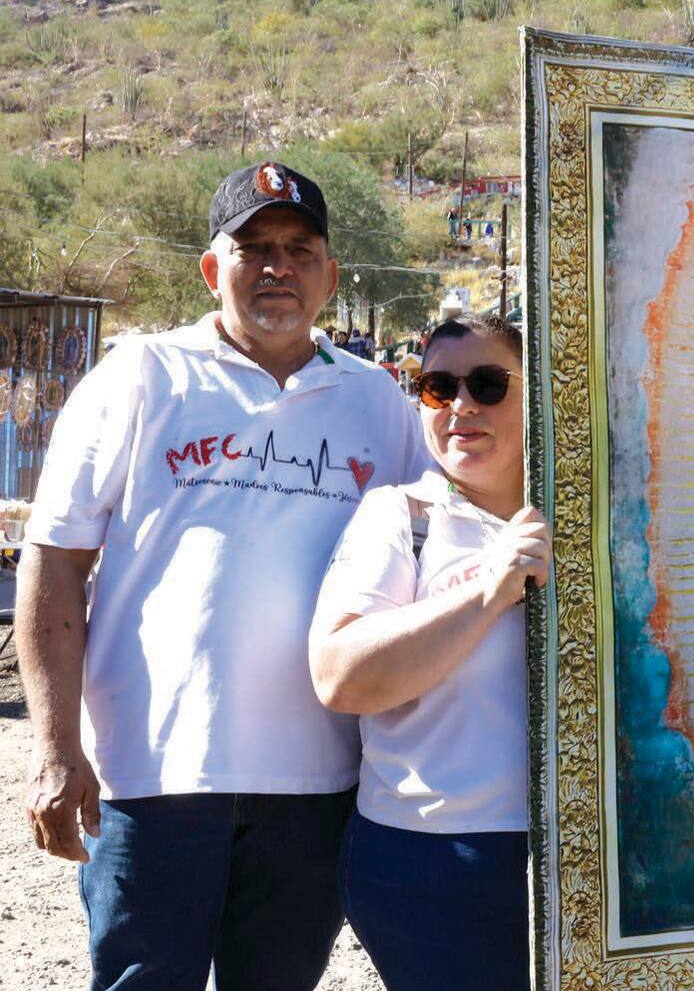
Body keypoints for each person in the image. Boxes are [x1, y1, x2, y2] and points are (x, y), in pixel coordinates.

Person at [17, 160, 432, 990]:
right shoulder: (142, 376)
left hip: (320, 786)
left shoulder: (380, 402)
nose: (277, 266)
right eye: (253, 248)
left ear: (329, 274)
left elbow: (435, 550)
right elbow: (56, 559)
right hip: (153, 780)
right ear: (214, 270)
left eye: (298, 248)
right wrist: (58, 749)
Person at [309, 313, 548, 989]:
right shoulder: (400, 515)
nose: (462, 405)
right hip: (429, 861)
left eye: (488, 383)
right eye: (439, 387)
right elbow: (340, 675)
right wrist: (489, 592)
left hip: (587, 856)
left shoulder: (596, 514)